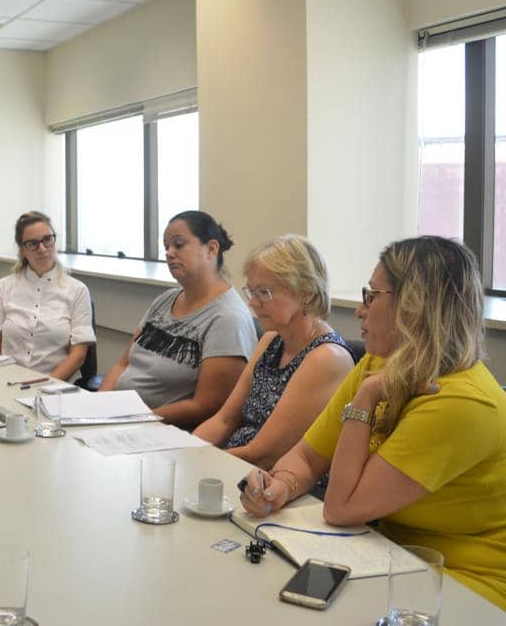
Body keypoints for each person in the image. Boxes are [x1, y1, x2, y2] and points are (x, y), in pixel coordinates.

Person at [240, 236, 506, 610]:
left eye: (372, 295)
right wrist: (278, 487)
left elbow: (342, 508)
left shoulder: (462, 402)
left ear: (412, 305)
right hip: (385, 556)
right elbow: (306, 458)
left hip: (463, 585)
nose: (360, 310)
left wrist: (364, 399)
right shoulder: (379, 364)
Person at [193, 235, 354, 470]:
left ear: (306, 293)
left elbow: (265, 454)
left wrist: (199, 464)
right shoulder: (271, 339)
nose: (252, 303)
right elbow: (224, 420)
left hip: (279, 481)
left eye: (264, 293)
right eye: (251, 291)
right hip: (237, 465)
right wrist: (184, 450)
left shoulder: (326, 357)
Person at [99, 210, 257, 429]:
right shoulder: (166, 299)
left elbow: (205, 406)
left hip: (163, 430)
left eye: (179, 245)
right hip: (121, 418)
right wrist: (99, 404)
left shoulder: (228, 318)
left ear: (211, 249)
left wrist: (138, 419)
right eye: (166, 247)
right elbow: (123, 363)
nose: (169, 253)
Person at [0, 211, 95, 381]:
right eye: (33, 243)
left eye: (47, 239)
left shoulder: (77, 290)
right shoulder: (5, 286)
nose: (42, 248)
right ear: (22, 250)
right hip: (9, 381)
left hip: (56, 385)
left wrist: (43, 386)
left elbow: (77, 356)